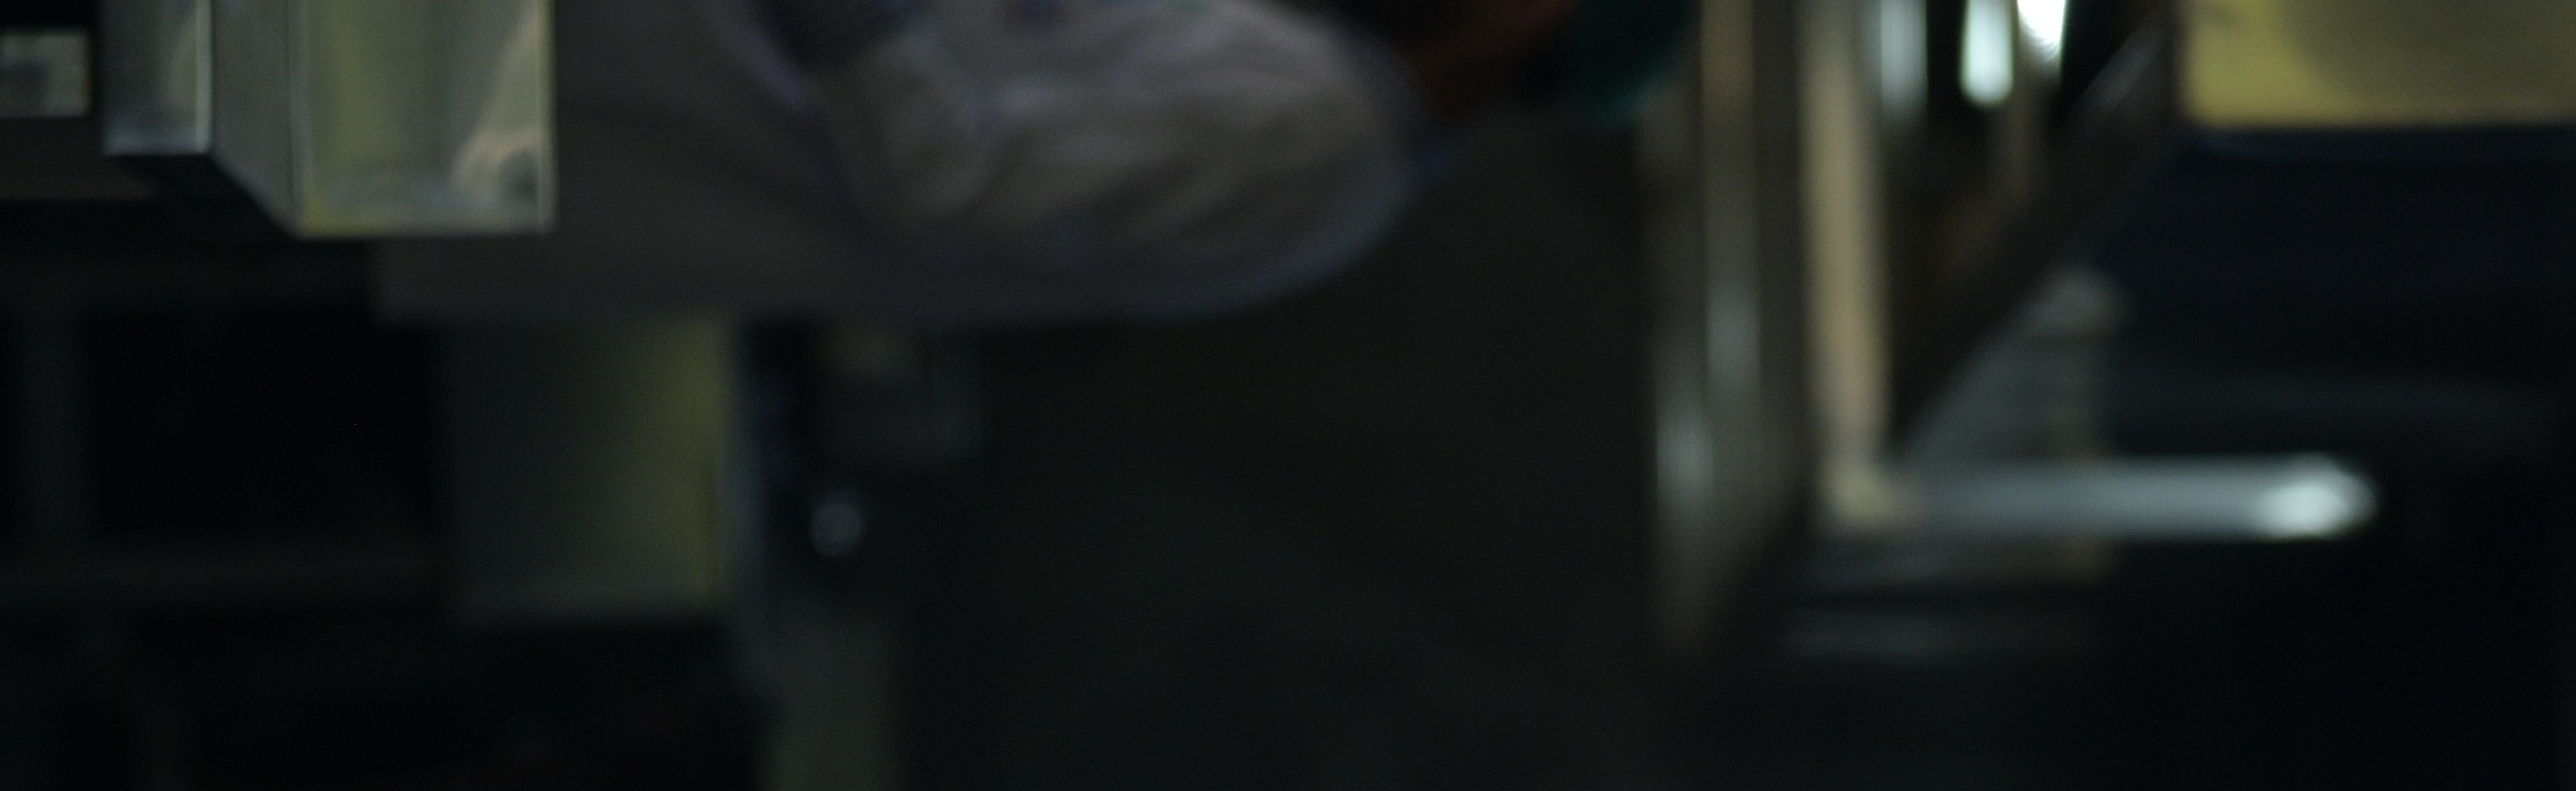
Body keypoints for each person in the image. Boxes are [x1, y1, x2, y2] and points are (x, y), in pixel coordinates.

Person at [377, 0, 1694, 331]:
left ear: (1545, 22)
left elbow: (948, 180)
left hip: (582, 123)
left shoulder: (1314, 149)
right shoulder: (1313, 66)